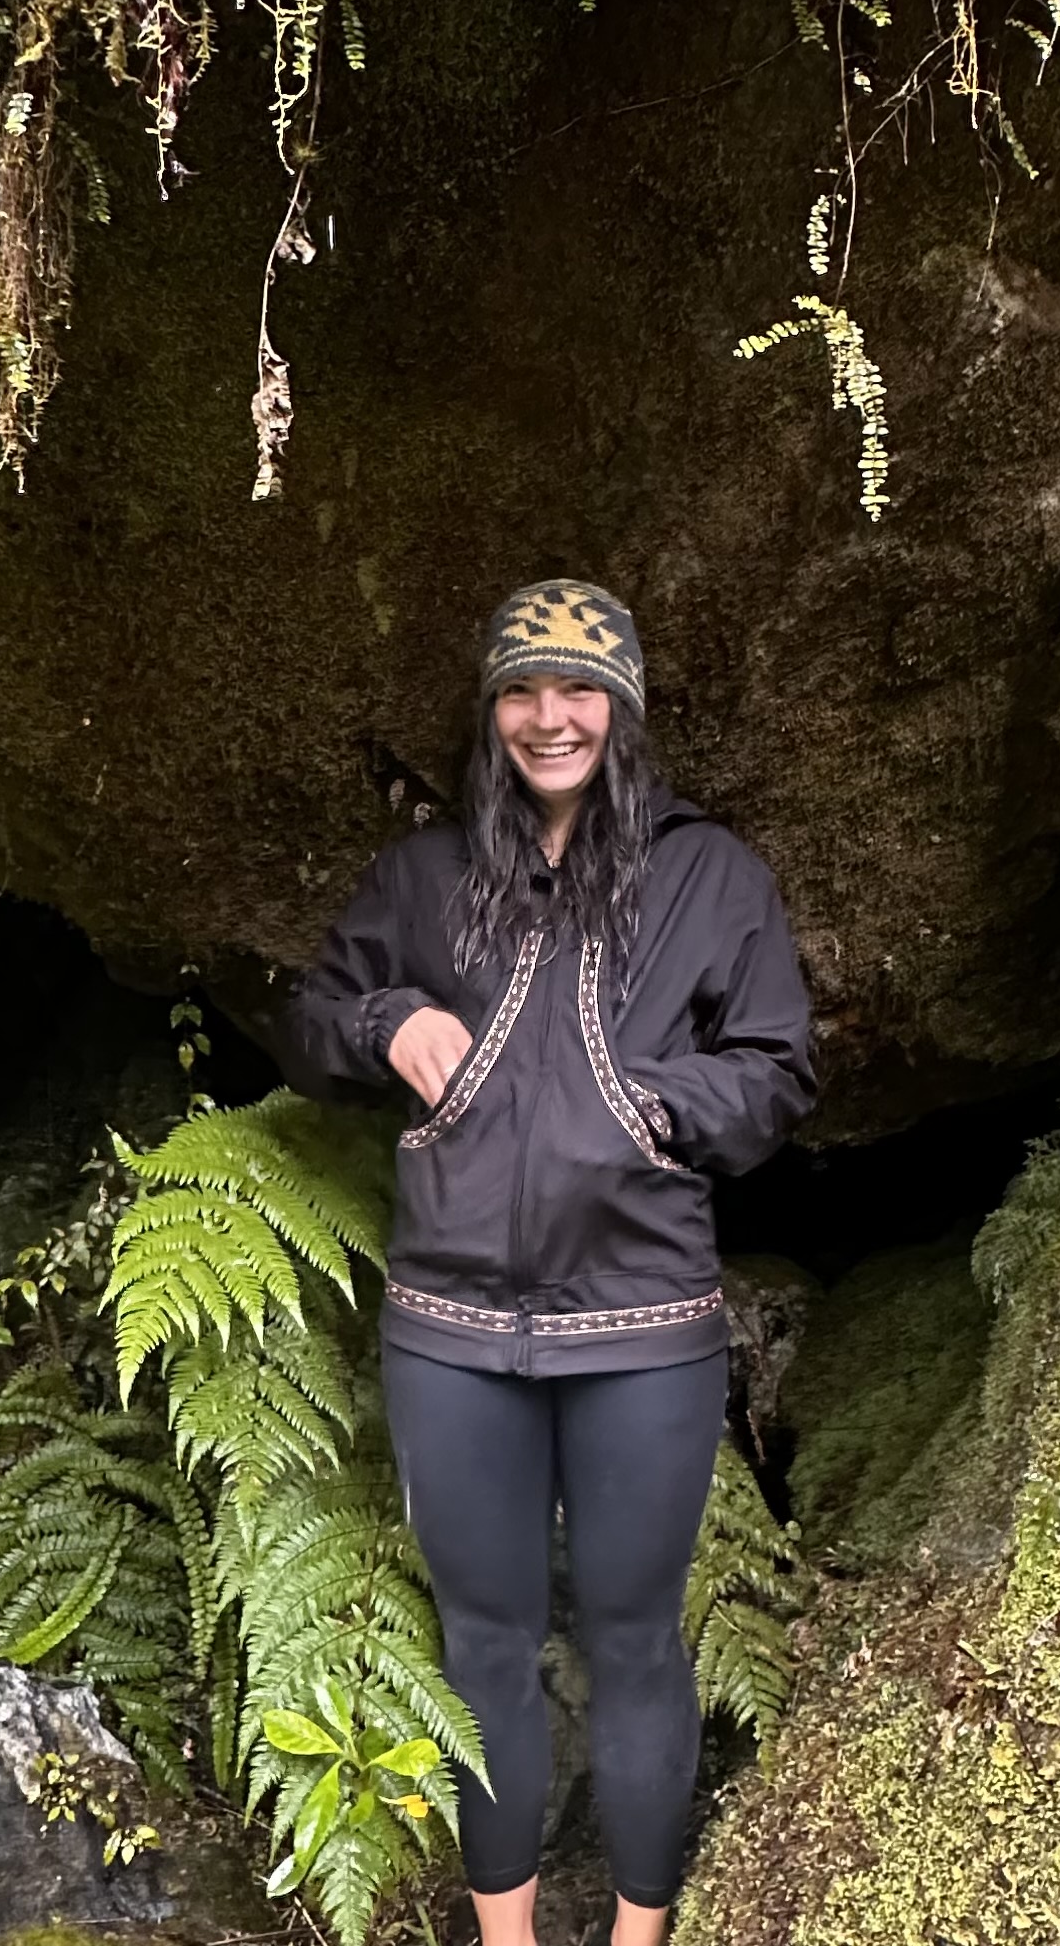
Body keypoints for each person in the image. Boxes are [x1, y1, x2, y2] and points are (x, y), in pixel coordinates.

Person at [286, 579, 817, 1946]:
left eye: (578, 689)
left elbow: (773, 1077)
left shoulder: (712, 877)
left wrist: (650, 1107)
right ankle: (506, 1940)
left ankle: (638, 1939)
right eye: (521, 690)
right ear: (491, 710)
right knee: (484, 1647)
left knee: (637, 1639)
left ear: (621, 709)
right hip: (450, 1328)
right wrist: (388, 1020)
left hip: (645, 1323)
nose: (548, 716)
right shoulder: (422, 875)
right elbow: (312, 1017)